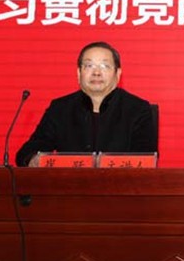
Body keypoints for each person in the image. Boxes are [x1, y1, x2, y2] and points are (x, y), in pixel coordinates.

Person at [16, 41, 157, 167]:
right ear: (79, 73)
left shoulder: (138, 109)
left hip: (119, 186)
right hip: (69, 186)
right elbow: (28, 152)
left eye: (105, 66)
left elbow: (145, 160)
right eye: (89, 66)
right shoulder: (60, 109)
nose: (96, 72)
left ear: (118, 73)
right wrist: (33, 159)